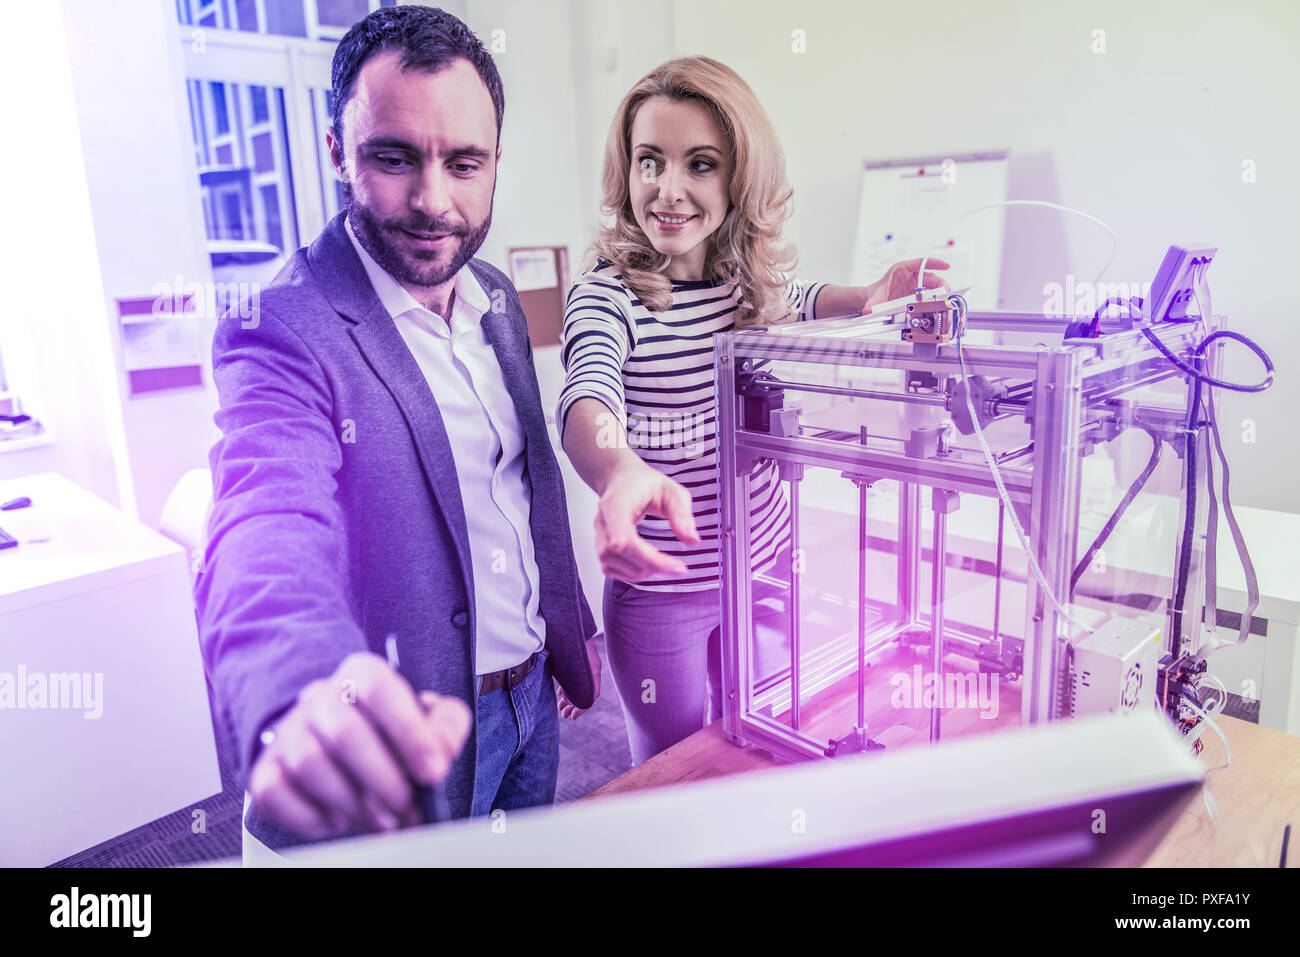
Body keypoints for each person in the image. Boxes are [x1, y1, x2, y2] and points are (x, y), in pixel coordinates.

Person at [196, 5, 599, 851]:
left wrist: (567, 632)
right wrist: (304, 686)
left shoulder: (491, 295)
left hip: (531, 704)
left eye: (464, 162)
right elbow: (263, 521)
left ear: (495, 162)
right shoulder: (282, 325)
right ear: (337, 151)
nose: (432, 201)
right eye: (393, 157)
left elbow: (520, 489)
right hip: (407, 729)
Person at [558, 56, 948, 766]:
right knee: (673, 766)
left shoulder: (744, 282)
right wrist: (618, 470)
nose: (667, 191)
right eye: (650, 162)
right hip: (659, 599)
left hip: (761, 570)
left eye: (699, 165)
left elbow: (798, 297)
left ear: (739, 177)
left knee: (759, 746)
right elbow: (588, 395)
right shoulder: (606, 297)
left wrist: (865, 296)